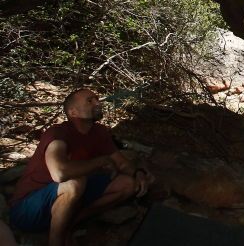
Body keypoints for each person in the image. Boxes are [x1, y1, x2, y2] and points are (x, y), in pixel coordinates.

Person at [8, 89, 153, 246]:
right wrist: (99, 162)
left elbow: (122, 163)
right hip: (28, 209)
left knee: (128, 184)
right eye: (90, 100)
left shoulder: (99, 132)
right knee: (74, 183)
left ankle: (69, 223)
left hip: (71, 198)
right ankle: (56, 241)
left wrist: (138, 173)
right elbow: (59, 173)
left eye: (97, 98)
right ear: (73, 112)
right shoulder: (58, 133)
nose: (98, 103)